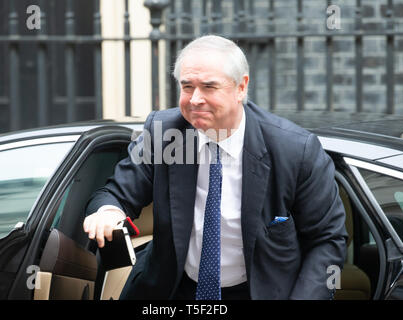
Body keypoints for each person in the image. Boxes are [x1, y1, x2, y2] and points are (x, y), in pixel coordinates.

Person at [83, 35, 347, 300]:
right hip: (174, 289)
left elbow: (327, 240)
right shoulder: (165, 134)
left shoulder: (294, 150)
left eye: (209, 87)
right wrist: (108, 212)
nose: (195, 99)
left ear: (241, 87)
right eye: (187, 87)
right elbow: (116, 193)